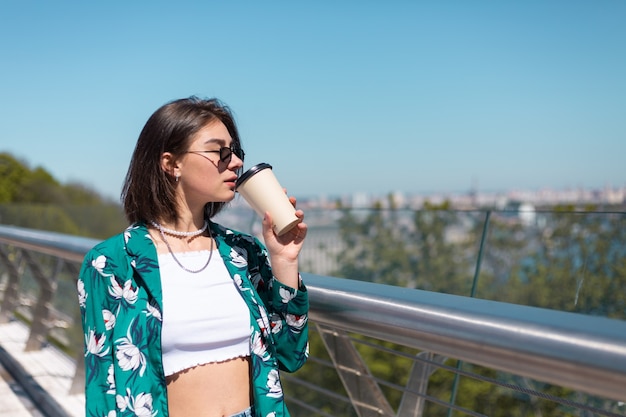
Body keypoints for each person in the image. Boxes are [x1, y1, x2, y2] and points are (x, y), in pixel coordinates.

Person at [77, 97, 309, 417]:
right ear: (172, 163)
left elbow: (290, 355)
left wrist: (284, 259)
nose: (236, 162)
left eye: (236, 151)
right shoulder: (112, 264)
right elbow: (103, 385)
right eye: (219, 151)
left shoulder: (243, 252)